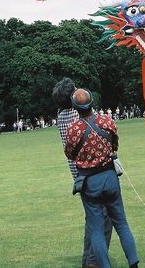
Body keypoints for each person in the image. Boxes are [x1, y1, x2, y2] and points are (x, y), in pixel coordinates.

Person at [65, 89, 139, 268]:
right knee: (121, 223)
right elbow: (114, 146)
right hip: (110, 177)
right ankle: (134, 264)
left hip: (90, 182)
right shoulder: (107, 121)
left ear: (75, 107)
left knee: (96, 229)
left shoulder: (73, 130)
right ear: (92, 103)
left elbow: (69, 154)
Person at [52, 77, 112, 268]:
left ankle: (89, 260)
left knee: (93, 218)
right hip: (93, 172)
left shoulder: (61, 117)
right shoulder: (79, 116)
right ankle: (94, 262)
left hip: (79, 175)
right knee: (104, 220)